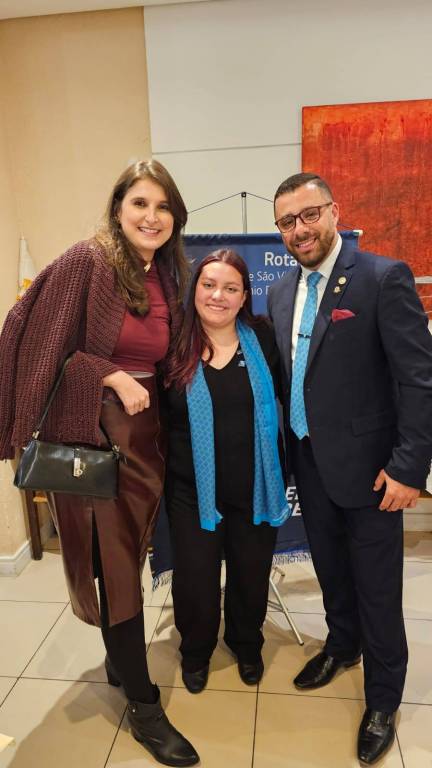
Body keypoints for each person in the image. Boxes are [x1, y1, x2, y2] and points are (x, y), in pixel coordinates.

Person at [0, 160, 199, 768]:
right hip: (94, 438)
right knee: (113, 567)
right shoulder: (88, 262)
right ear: (118, 208)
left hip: (146, 439)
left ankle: (119, 655)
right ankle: (144, 707)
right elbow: (35, 342)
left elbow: (168, 356)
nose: (152, 217)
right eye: (140, 203)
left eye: (163, 207)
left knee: (127, 558)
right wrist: (106, 373)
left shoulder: (165, 272)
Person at [268, 172, 432, 765]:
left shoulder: (382, 278)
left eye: (309, 214)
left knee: (377, 588)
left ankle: (383, 698)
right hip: (309, 461)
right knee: (332, 569)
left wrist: (409, 467)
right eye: (287, 222)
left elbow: (419, 380)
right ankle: (342, 645)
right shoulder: (279, 293)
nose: (299, 229)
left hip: (371, 471)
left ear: (335, 212)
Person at [163, 249, 290, 694]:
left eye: (231, 288)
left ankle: (246, 643)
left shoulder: (264, 339)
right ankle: (196, 652)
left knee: (250, 573)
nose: (218, 295)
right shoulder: (172, 343)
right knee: (195, 579)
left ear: (244, 296)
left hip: (256, 485)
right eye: (209, 285)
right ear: (194, 289)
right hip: (191, 490)